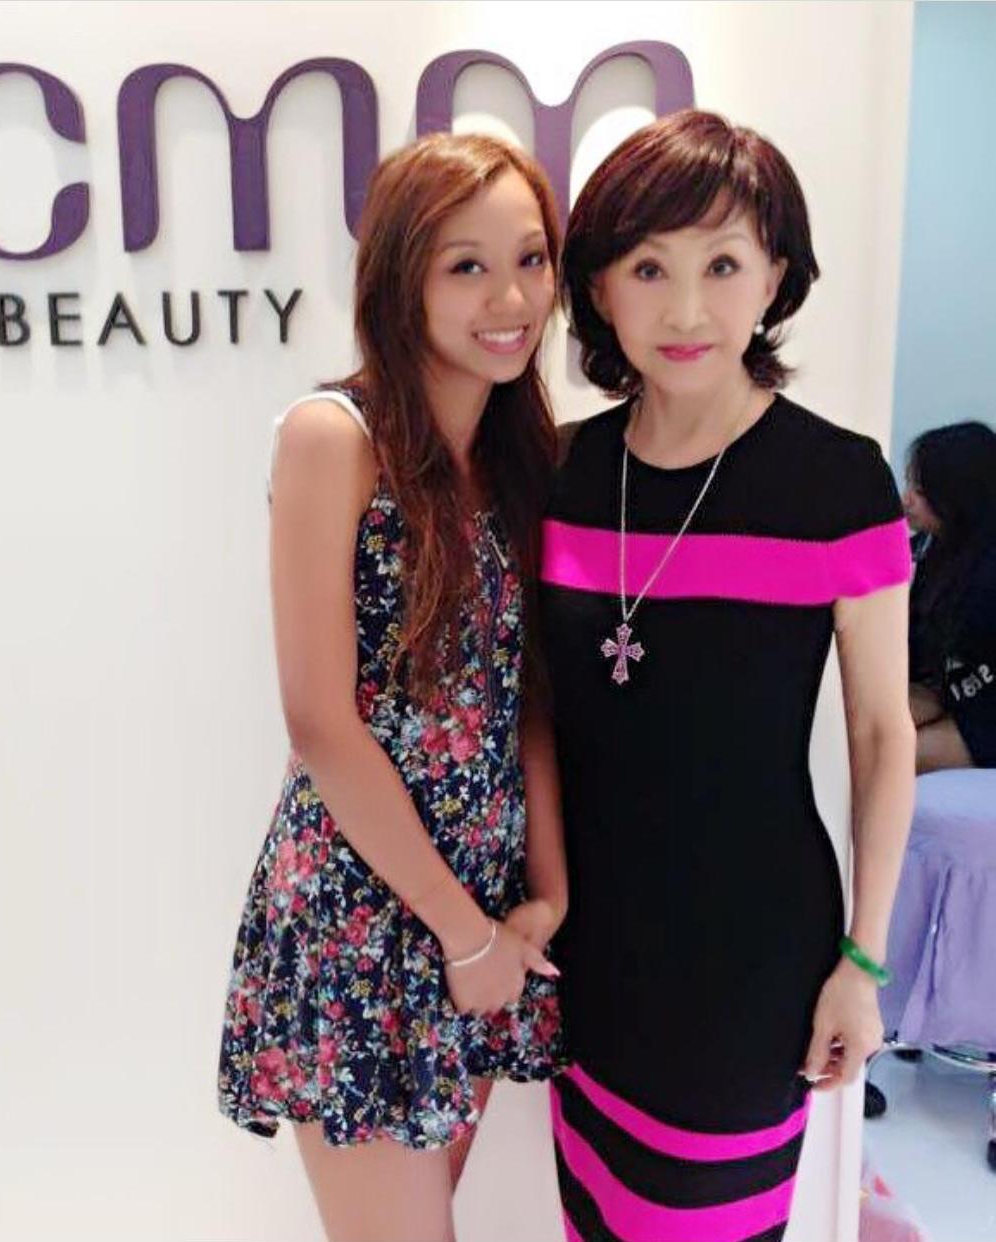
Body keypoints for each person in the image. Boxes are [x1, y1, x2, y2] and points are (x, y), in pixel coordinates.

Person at [540, 110, 916, 1242]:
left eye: (722, 265)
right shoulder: (563, 470)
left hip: (750, 962)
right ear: (599, 288)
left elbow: (881, 735)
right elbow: (540, 716)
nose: (686, 311)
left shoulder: (838, 483)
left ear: (775, 279)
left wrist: (864, 961)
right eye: (649, 268)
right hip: (591, 956)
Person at [217, 133, 568, 1242]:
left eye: (531, 259)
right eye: (467, 266)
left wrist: (544, 897)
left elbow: (528, 701)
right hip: (366, 915)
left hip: (482, 912)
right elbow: (319, 721)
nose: (511, 298)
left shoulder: (519, 460)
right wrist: (465, 938)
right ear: (401, 277)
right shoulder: (337, 437)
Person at [902, 421, 996, 772]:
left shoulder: (986, 574)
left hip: (984, 711)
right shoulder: (927, 551)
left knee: (891, 756)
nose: (907, 499)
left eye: (921, 490)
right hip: (948, 693)